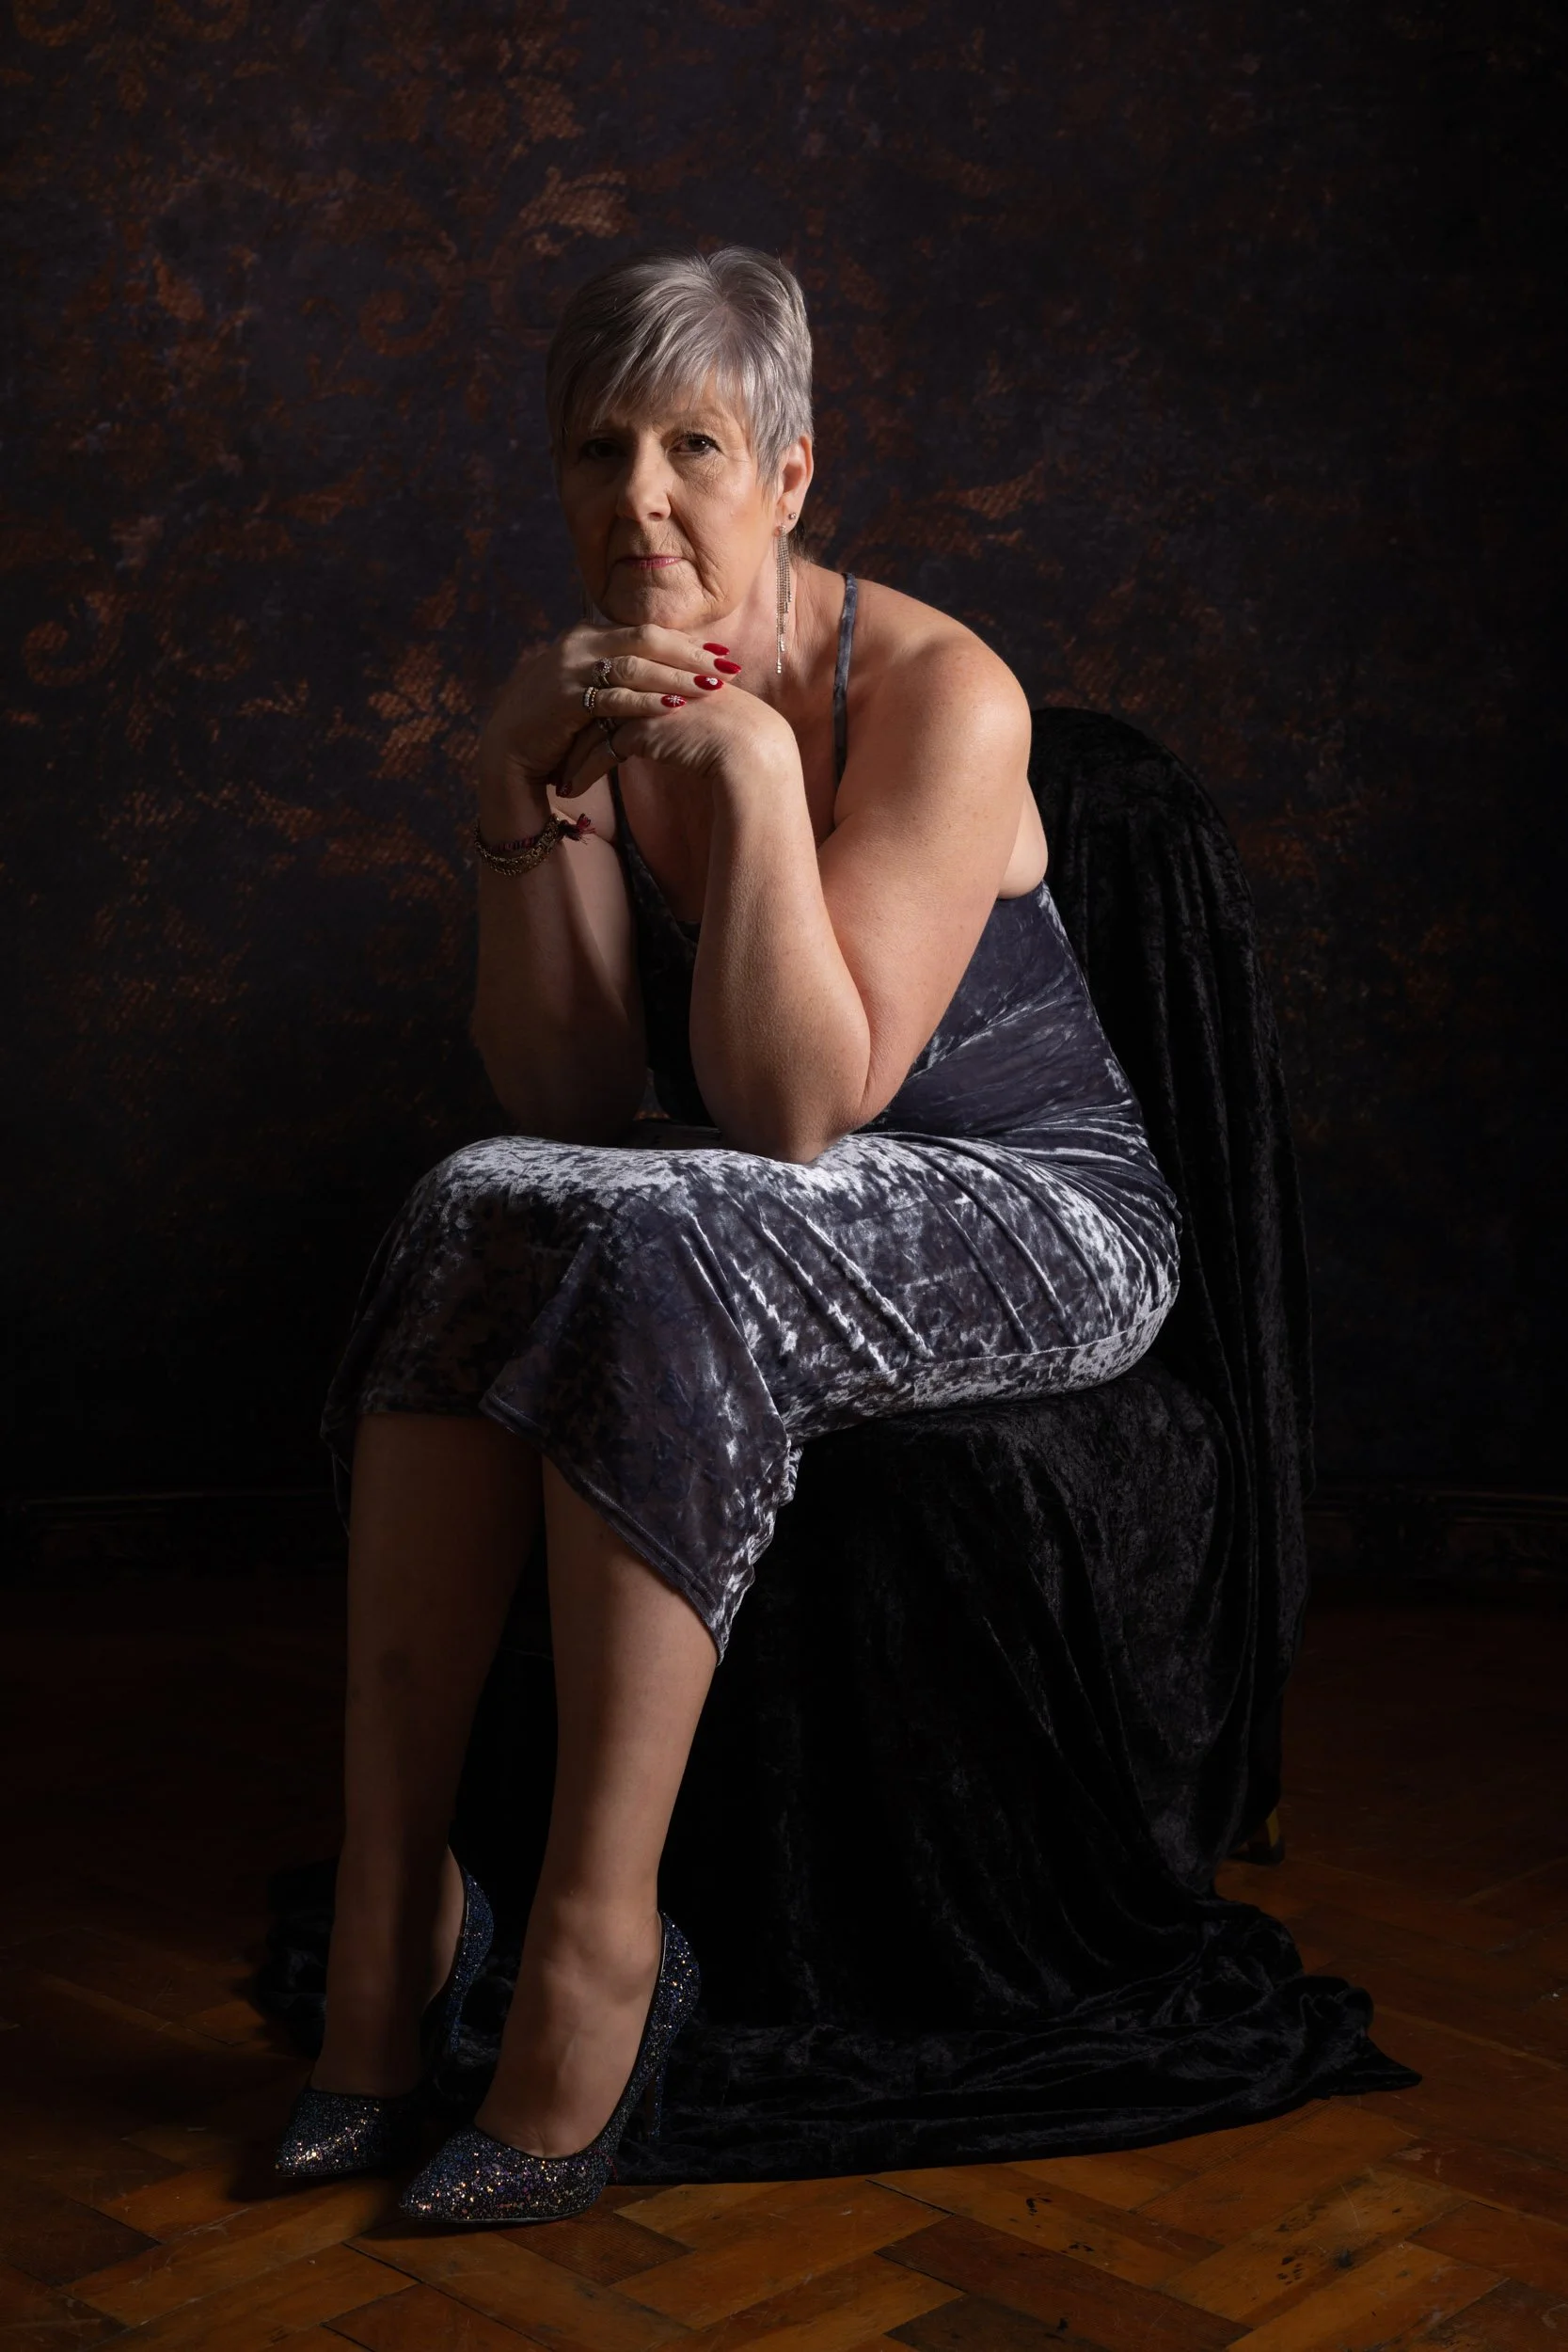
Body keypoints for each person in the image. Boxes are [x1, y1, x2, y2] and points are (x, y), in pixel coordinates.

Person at [274, 246, 1180, 2224]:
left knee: (673, 1245)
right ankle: (390, 1920)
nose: (642, 501)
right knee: (468, 1201)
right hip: (771, 1176)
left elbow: (789, 1108)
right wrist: (519, 787)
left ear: (784, 473)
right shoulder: (590, 677)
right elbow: (580, 1100)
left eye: (694, 445)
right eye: (601, 451)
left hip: (1034, 1202)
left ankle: (604, 1947)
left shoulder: (939, 694)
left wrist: (759, 771)